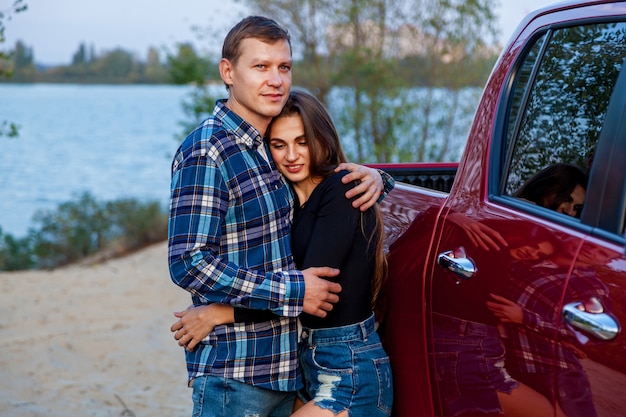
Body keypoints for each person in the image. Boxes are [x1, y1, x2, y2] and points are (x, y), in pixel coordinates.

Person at [167, 16, 393, 417]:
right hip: (236, 374)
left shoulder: (267, 151)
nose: (275, 79)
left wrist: (380, 177)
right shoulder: (210, 150)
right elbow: (189, 262)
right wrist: (292, 292)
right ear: (227, 72)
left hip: (291, 371)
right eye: (260, 66)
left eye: (283, 67)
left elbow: (327, 189)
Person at [514, 163, 588, 217]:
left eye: (576, 208)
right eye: (566, 200)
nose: (569, 212)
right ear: (544, 189)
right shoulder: (517, 212)